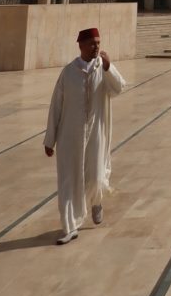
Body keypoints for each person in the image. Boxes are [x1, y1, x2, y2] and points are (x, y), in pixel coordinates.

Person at [44, 27, 126, 244]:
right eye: (92, 43)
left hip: (95, 135)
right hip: (70, 137)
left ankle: (96, 201)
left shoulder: (103, 68)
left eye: (98, 43)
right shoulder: (69, 72)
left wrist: (109, 67)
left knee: (96, 176)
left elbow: (118, 88)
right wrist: (50, 139)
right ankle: (69, 227)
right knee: (69, 182)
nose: (96, 47)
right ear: (80, 45)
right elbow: (56, 106)